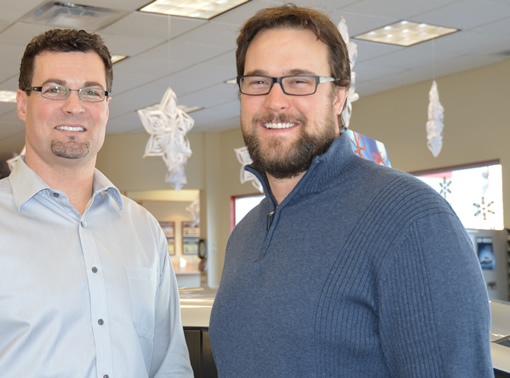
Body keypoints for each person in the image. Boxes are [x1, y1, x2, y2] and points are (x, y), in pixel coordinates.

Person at [208, 5, 493, 377]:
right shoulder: (244, 234)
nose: (275, 101)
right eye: (258, 81)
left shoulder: (413, 220)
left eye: (299, 81)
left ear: (339, 96)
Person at [0, 29, 193, 377]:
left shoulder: (144, 230)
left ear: (106, 107)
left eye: (91, 91)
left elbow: (170, 367)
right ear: (23, 103)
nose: (74, 105)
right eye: (54, 89)